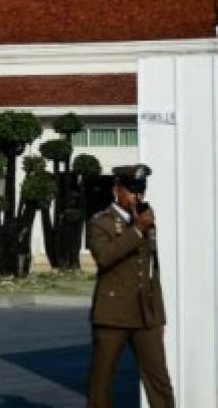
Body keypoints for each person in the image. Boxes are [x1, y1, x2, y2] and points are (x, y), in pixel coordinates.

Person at [86, 164, 175, 408]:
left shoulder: (146, 220)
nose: (138, 197)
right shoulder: (100, 223)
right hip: (113, 313)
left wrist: (159, 316)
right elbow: (104, 257)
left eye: (141, 190)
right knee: (101, 382)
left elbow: (151, 271)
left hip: (146, 315)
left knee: (159, 381)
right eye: (133, 190)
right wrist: (137, 230)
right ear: (117, 190)